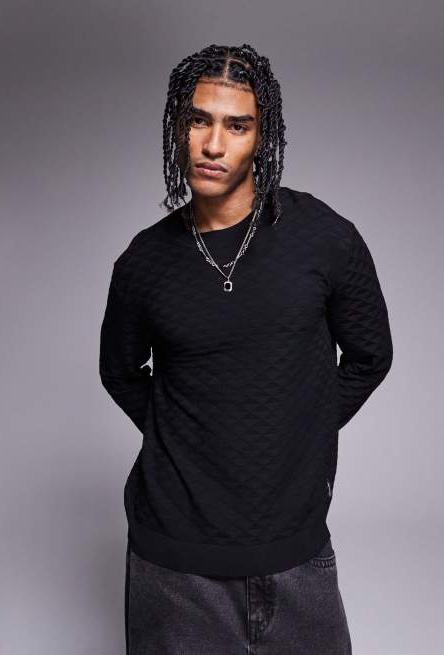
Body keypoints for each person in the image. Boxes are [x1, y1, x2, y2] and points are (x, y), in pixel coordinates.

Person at [99, 43, 393, 655]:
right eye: (198, 120)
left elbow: (371, 355)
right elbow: (119, 370)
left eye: (237, 126)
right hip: (173, 564)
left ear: (262, 138)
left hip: (296, 554)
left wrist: (302, 428)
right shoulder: (145, 261)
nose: (213, 145)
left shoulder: (324, 238)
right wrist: (187, 436)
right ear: (177, 127)